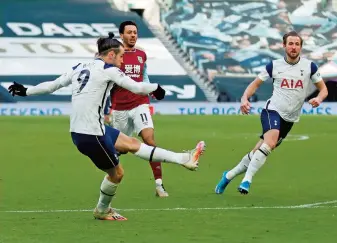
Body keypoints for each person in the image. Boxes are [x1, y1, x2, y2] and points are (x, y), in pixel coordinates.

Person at [8, 32, 206, 220]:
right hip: (91, 134)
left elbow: (53, 85)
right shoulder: (109, 70)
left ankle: (184, 158)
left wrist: (26, 91)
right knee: (117, 174)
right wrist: (156, 88)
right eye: (120, 57)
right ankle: (102, 210)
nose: (122, 62)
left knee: (131, 143)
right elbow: (136, 87)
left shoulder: (80, 66)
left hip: (84, 130)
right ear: (111, 55)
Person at [214, 31, 328, 195]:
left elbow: (324, 89)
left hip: (290, 119)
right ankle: (247, 180)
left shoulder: (310, 67)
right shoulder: (274, 65)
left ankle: (228, 175)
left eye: (297, 44)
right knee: (270, 143)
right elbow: (255, 84)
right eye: (290, 43)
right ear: (284, 45)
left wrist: (319, 99)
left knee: (258, 151)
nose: (293, 47)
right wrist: (245, 98)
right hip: (272, 111)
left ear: (301, 47)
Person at [107, 21, 169, 197]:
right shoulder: (114, 56)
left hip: (140, 103)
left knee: (149, 141)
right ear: (121, 35)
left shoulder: (142, 54)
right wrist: (105, 109)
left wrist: (152, 91)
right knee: (118, 149)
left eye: (135, 32)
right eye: (129, 32)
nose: (133, 35)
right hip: (119, 108)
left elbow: (145, 77)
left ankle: (159, 185)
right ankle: (111, 181)